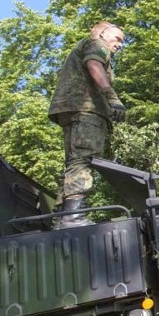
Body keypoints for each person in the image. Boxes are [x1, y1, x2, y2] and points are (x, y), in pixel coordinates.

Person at [48, 21, 127, 228]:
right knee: (84, 159)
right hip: (86, 110)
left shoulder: (86, 46)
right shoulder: (97, 44)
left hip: (72, 110)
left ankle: (60, 216)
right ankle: (72, 217)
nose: (120, 45)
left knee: (74, 162)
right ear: (102, 33)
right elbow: (94, 65)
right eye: (117, 38)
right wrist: (112, 98)